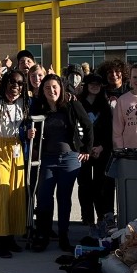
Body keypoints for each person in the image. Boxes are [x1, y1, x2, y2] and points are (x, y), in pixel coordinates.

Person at [30, 74, 93, 251]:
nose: (52, 91)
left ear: (61, 88)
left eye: (55, 87)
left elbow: (87, 125)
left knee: (64, 198)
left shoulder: (71, 104)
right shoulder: (39, 107)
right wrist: (32, 136)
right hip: (48, 158)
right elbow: (32, 127)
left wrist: (86, 149)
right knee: (44, 197)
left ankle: (63, 236)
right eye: (47, 87)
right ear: (43, 90)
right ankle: (43, 234)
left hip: (70, 159)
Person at [0, 70, 30, 257]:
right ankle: (0, 238)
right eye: (11, 83)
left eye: (19, 84)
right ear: (5, 84)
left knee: (16, 194)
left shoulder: (26, 103)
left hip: (17, 149)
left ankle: (11, 236)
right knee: (2, 192)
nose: (15, 87)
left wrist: (27, 134)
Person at [76, 73, 114, 231]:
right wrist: (85, 148)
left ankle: (101, 215)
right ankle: (87, 216)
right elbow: (75, 129)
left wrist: (101, 147)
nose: (94, 86)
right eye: (91, 84)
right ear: (86, 85)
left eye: (97, 84)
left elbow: (110, 130)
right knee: (84, 184)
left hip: (101, 150)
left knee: (100, 185)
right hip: (83, 151)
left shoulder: (105, 105)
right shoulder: (78, 103)